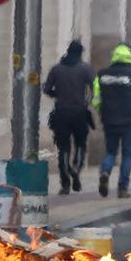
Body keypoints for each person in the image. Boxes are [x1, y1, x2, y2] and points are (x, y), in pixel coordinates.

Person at [92, 43, 131, 198]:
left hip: (109, 120)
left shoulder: (102, 74)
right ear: (129, 55)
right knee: (127, 154)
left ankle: (105, 171)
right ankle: (122, 189)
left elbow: (96, 99)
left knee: (110, 151)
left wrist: (102, 113)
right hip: (130, 120)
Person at [43, 40, 94, 195]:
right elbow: (95, 87)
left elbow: (46, 89)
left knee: (63, 148)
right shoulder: (85, 69)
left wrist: (57, 94)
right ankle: (76, 168)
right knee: (80, 144)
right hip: (79, 112)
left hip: (61, 112)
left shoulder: (56, 69)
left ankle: (65, 183)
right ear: (79, 53)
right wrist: (88, 100)